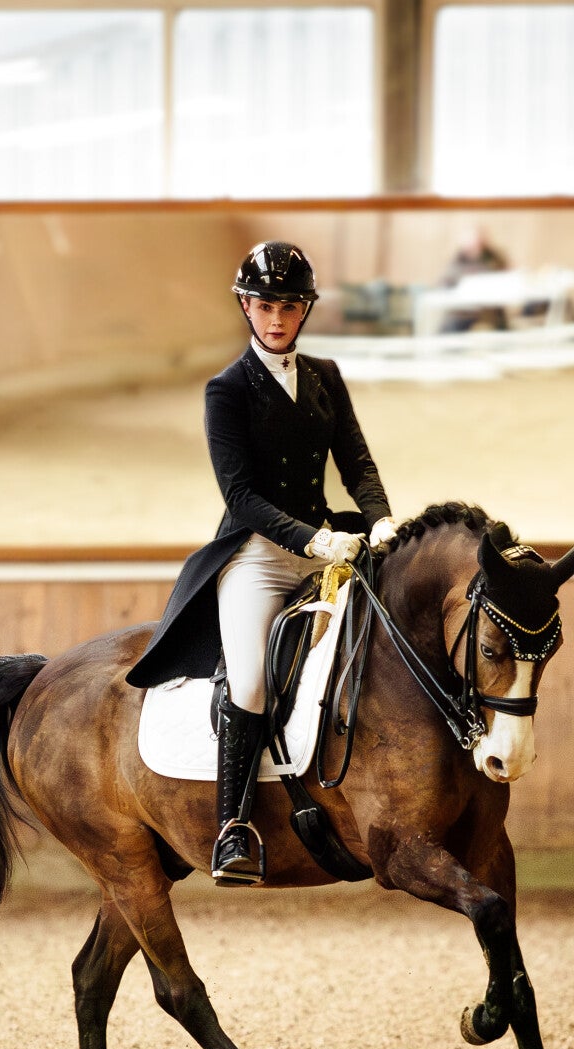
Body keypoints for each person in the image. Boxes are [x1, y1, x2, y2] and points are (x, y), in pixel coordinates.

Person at [126, 241, 398, 886]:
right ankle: (234, 828)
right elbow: (241, 496)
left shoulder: (325, 376)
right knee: (249, 682)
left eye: (289, 306)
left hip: (327, 551)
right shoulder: (227, 390)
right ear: (247, 307)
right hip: (259, 558)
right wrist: (312, 541)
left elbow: (357, 462)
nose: (277, 318)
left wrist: (380, 517)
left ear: (305, 311)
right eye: (265, 305)